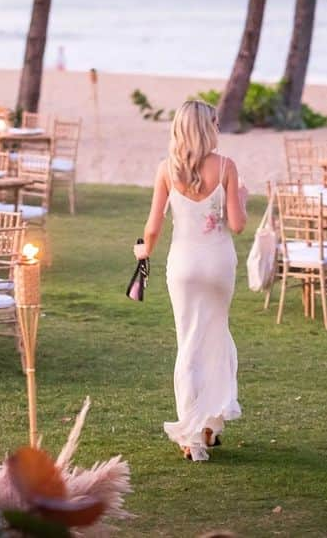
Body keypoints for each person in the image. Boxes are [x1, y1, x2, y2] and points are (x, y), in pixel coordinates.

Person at [134, 99, 248, 461]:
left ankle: (192, 435)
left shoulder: (167, 169)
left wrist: (142, 251)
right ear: (206, 127)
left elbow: (152, 227)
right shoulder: (227, 166)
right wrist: (241, 197)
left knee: (189, 344)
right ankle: (211, 424)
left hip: (183, 267)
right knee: (216, 336)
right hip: (217, 264)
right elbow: (238, 225)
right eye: (214, 122)